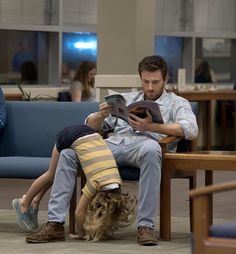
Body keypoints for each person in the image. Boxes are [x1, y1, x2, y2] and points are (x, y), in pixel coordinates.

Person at [25, 55, 198, 246]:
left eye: (155, 82)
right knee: (68, 154)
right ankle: (55, 223)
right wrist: (101, 114)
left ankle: (145, 226)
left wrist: (150, 127)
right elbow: (90, 126)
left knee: (151, 149)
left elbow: (190, 129)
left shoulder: (177, 103)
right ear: (140, 78)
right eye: (145, 81)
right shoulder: (127, 99)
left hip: (145, 146)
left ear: (165, 79)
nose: (149, 87)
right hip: (113, 146)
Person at [12, 124, 136, 239]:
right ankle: (24, 202)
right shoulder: (96, 182)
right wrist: (82, 234)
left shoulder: (116, 180)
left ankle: (35, 201)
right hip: (69, 136)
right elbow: (79, 213)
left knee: (55, 174)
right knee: (51, 174)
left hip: (92, 135)